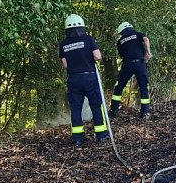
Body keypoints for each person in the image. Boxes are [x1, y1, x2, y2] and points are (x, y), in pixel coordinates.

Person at [59, 14, 108, 148]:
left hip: (74, 79)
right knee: (96, 106)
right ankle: (101, 135)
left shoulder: (63, 44)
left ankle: (78, 139)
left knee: (75, 108)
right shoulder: (88, 39)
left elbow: (65, 65)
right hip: (90, 77)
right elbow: (97, 56)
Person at [109, 21, 153, 119]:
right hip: (140, 63)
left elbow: (121, 55)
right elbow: (145, 39)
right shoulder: (137, 34)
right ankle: (144, 112)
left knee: (119, 86)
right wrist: (148, 52)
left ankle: (114, 109)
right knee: (143, 87)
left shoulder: (120, 41)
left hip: (127, 64)